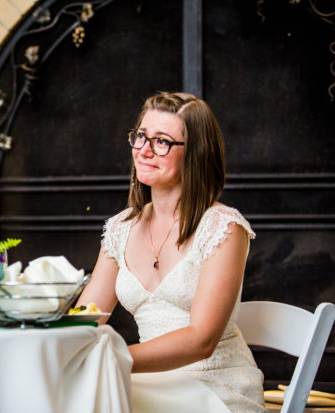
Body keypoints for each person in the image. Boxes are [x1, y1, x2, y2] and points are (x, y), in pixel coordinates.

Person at [76, 92, 265, 412]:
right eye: (140, 137)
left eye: (162, 141)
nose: (145, 151)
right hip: (146, 384)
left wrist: (113, 359)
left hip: (213, 387)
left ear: (196, 153)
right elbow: (86, 317)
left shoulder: (223, 227)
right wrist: (48, 340)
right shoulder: (121, 227)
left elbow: (201, 340)